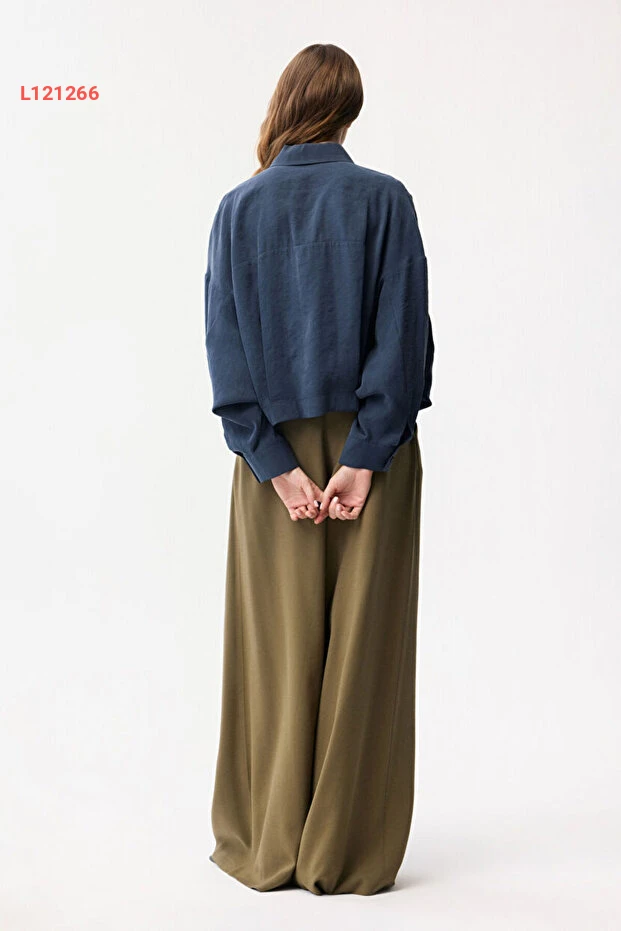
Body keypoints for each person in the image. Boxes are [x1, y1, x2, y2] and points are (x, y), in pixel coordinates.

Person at [204, 42, 434, 896]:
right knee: (363, 648)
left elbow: (224, 350)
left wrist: (276, 466)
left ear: (288, 101)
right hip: (373, 448)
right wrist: (366, 457)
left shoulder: (237, 208)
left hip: (272, 458)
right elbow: (401, 342)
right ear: (348, 109)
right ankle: (345, 852)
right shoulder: (384, 200)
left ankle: (272, 841)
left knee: (276, 650)